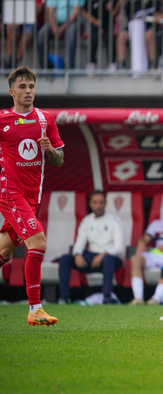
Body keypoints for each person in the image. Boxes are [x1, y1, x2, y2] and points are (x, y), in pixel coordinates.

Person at [0, 66, 64, 325]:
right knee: (38, 243)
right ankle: (35, 308)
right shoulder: (2, 119)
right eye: (23, 87)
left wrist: (50, 150)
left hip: (31, 197)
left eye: (31, 87)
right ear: (11, 91)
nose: (28, 91)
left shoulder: (45, 119)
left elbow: (59, 160)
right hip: (9, 193)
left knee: (4, 250)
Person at [58, 190, 125, 304]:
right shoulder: (87, 220)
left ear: (105, 203)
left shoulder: (114, 220)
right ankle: (65, 298)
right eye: (95, 202)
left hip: (110, 257)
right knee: (65, 259)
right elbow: (79, 242)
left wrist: (103, 255)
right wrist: (77, 254)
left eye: (101, 202)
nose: (98, 206)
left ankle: (106, 297)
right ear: (90, 204)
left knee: (108, 259)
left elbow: (119, 247)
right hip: (92, 257)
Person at [37, 0, 84, 69]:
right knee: (41, 34)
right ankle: (45, 67)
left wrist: (63, 27)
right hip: (55, 22)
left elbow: (75, 13)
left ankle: (69, 68)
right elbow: (50, 12)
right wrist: (54, 27)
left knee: (71, 33)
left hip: (71, 22)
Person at [81, 0, 121, 74]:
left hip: (108, 21)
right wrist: (93, 21)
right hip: (94, 21)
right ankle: (91, 63)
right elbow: (84, 11)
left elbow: (114, 13)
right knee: (94, 38)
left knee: (110, 38)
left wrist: (118, 5)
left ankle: (112, 63)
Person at [3, 0, 44, 69]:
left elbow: (37, 9)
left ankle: (12, 63)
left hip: (33, 21)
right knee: (11, 33)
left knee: (27, 35)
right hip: (17, 20)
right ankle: (11, 61)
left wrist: (20, 20)